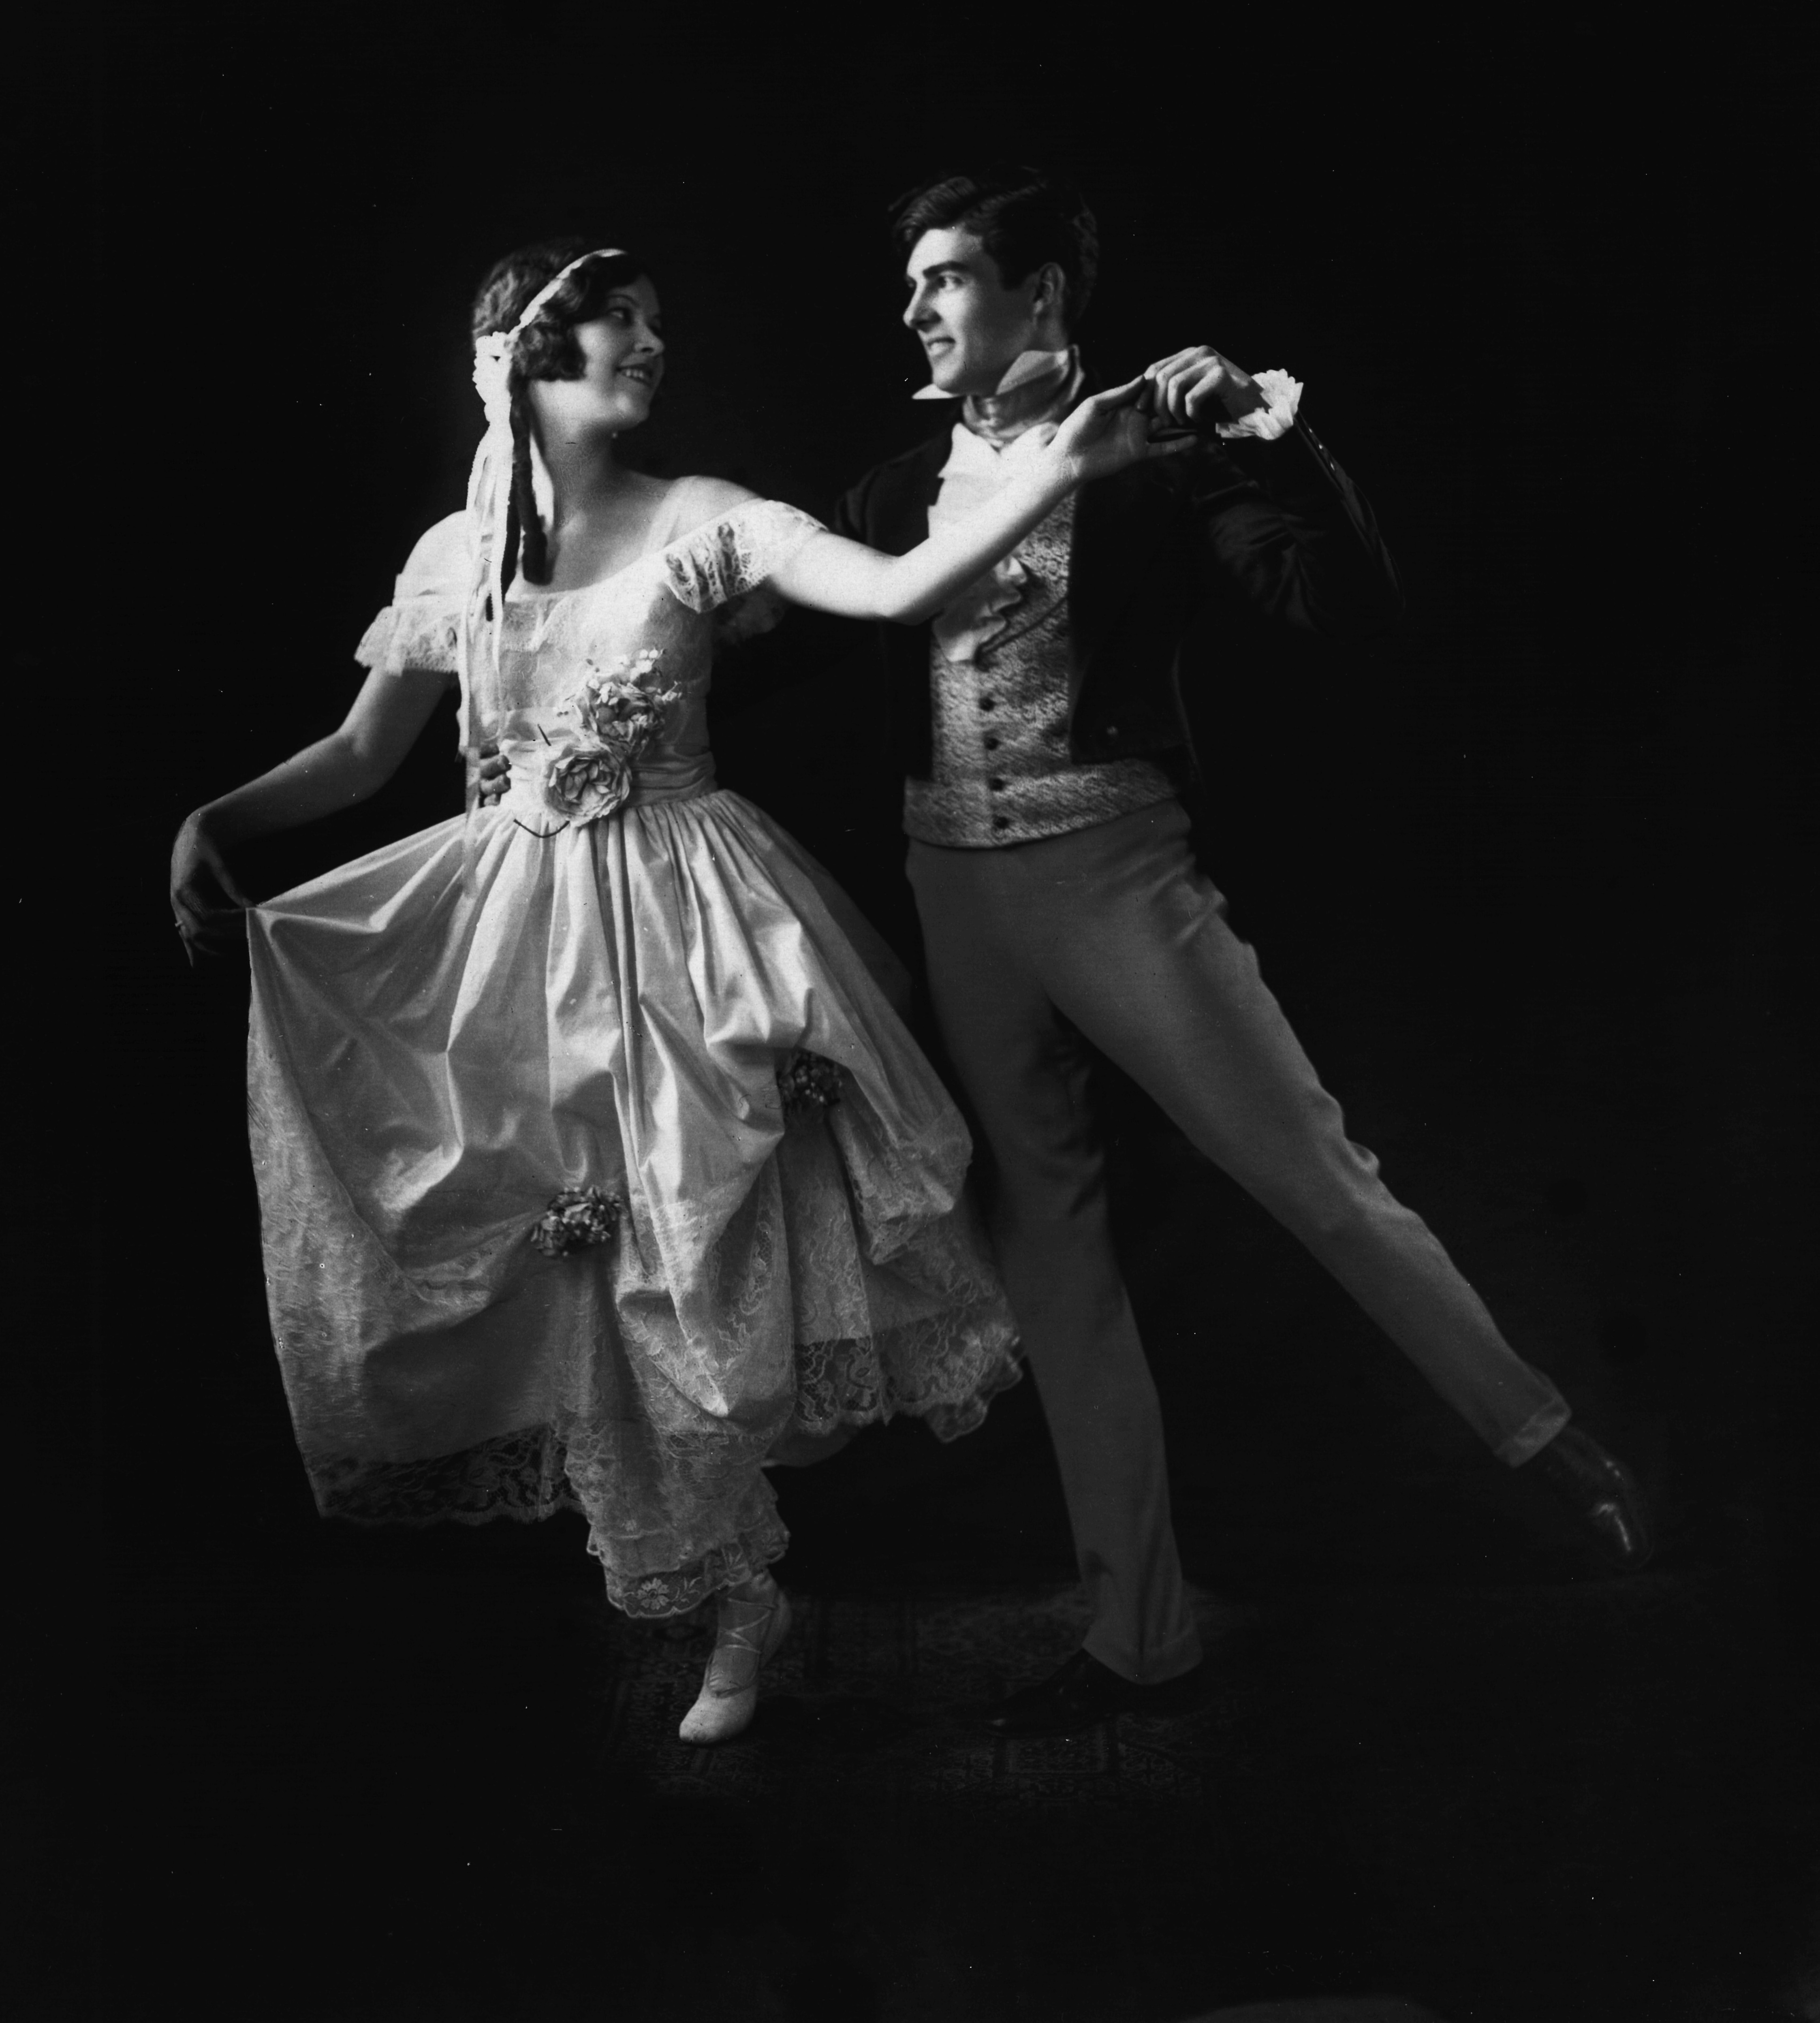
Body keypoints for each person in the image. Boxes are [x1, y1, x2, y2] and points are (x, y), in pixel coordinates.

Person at [647, 166, 1653, 1741]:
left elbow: (1343, 607)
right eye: (913, 284)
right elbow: (758, 673)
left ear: (1039, 293)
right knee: (1049, 1254)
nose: (915, 309)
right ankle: (1135, 1636)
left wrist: (1270, 433)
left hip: (1116, 873)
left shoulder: (1167, 455)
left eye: (947, 277)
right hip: (951, 894)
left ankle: (1546, 1444)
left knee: (1314, 1176)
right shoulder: (894, 489)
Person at [168, 237, 1188, 1746]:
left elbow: (897, 589)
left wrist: (1061, 467)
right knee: (578, 1256)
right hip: (520, 944)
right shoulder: (458, 556)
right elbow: (365, 753)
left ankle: (734, 1578)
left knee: (690, 1251)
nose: (649, 345)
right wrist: (217, 820)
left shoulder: (706, 516)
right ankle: (726, 1594)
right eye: (616, 322)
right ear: (528, 354)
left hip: (693, 928)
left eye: (656, 323)